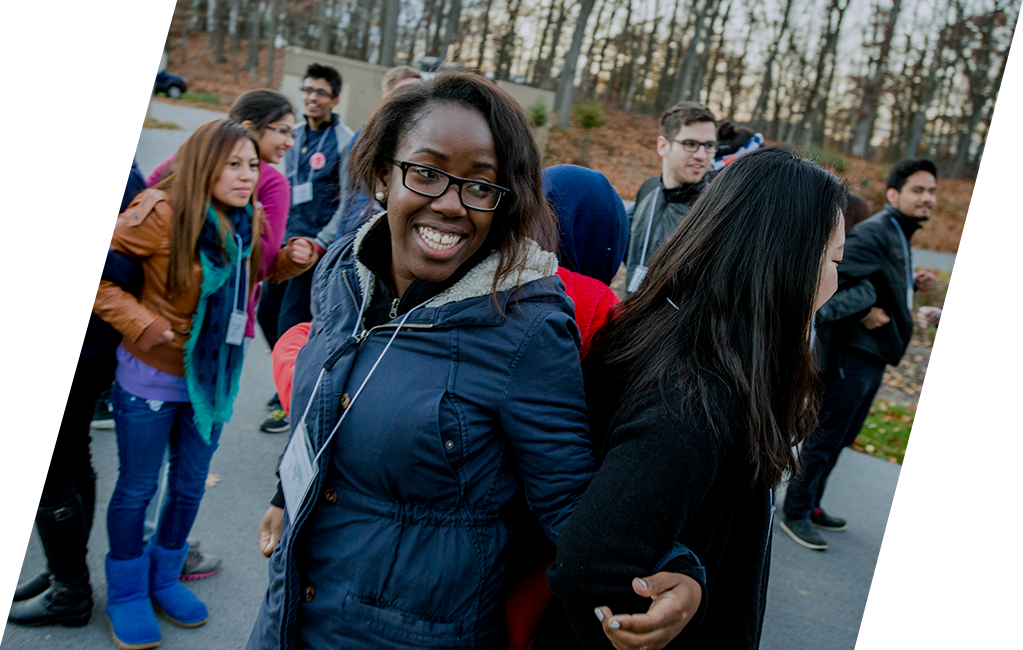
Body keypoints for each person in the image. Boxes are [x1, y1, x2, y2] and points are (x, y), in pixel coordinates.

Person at [246, 71, 600, 650]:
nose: (451, 204)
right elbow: (325, 397)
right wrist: (287, 492)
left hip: (415, 635)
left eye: (479, 186)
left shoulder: (526, 326)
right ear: (385, 174)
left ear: (503, 202)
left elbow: (570, 498)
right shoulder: (343, 269)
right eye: (427, 172)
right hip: (292, 607)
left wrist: (668, 567)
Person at [544, 147, 848, 649]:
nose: (837, 279)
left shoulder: (673, 338)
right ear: (785, 263)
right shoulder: (696, 396)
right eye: (834, 259)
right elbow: (592, 565)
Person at [92, 120, 315, 650]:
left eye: (252, 166)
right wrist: (141, 322)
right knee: (138, 487)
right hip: (151, 375)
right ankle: (126, 594)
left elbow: (251, 277)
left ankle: (165, 579)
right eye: (232, 165)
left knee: (190, 485)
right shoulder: (159, 212)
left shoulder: (250, 218)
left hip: (213, 382)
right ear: (202, 165)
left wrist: (286, 261)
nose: (246, 177)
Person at [144, 90, 299, 578]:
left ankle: (155, 549)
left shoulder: (187, 155)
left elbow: (143, 199)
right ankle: (170, 555)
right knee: (183, 460)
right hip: (216, 340)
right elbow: (262, 262)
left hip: (161, 326)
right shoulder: (270, 181)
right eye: (283, 130)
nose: (289, 142)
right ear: (253, 125)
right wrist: (289, 262)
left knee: (150, 469)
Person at [6, 161, 147, 628]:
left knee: (50, 470)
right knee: (72, 458)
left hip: (85, 344)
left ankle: (71, 591)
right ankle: (63, 570)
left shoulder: (122, 177)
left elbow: (133, 263)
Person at [780, 159, 938, 551]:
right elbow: (832, 284)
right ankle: (795, 511)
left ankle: (812, 503)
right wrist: (866, 310)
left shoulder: (897, 233)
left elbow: (874, 279)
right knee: (826, 433)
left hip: (873, 355)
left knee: (842, 436)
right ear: (893, 194)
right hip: (851, 355)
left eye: (932, 191)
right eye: (918, 190)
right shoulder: (875, 233)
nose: (927, 199)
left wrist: (909, 285)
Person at [257, 64, 355, 434]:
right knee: (266, 314)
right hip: (283, 247)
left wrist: (319, 243)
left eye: (319, 92)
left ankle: (292, 400)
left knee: (289, 323)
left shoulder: (345, 141)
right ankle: (291, 377)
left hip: (313, 251)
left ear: (334, 99)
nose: (311, 97)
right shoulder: (293, 135)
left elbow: (347, 202)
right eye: (307, 90)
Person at [302, 65, 424, 259]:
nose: (412, 98)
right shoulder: (362, 138)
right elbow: (349, 195)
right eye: (405, 91)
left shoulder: (421, 142)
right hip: (351, 241)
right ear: (387, 93)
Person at [624, 101, 717, 294]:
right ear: (663, 146)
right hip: (630, 315)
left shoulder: (718, 206)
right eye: (690, 144)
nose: (702, 155)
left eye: (709, 145)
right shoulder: (648, 189)